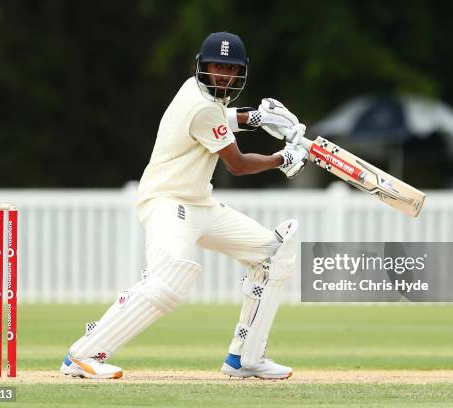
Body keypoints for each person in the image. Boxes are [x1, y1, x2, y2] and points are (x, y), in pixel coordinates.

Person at [60, 32, 308, 380]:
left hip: (200, 204)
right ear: (203, 66)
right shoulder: (203, 105)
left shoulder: (203, 93)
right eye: (216, 66)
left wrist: (255, 118)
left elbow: (221, 118)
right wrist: (283, 157)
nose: (223, 74)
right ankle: (83, 355)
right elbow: (236, 164)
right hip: (166, 201)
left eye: (230, 69)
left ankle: (245, 359)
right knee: (171, 277)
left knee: (273, 253)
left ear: (240, 73)